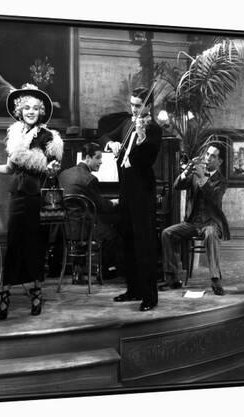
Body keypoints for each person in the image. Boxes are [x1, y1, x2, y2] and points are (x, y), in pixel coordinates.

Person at [0, 84, 63, 319]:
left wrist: (51, 168)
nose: (31, 111)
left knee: (34, 244)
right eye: (26, 108)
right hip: (17, 195)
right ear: (19, 110)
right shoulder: (15, 135)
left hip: (36, 197)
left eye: (35, 108)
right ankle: (5, 293)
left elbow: (51, 169)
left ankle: (36, 292)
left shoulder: (49, 137)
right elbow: (11, 167)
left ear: (41, 111)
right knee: (13, 243)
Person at [103, 87, 162, 311]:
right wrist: (112, 144)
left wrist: (141, 136)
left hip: (143, 192)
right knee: (127, 241)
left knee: (144, 244)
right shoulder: (128, 123)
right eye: (132, 104)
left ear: (148, 106)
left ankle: (149, 297)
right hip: (125, 191)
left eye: (138, 105)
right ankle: (133, 290)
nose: (133, 109)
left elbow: (147, 156)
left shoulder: (153, 129)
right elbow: (104, 135)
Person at [160, 143, 230, 295]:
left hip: (211, 223)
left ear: (220, 162)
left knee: (211, 234)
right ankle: (172, 279)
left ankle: (215, 279)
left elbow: (214, 198)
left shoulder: (221, 181)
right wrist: (187, 171)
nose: (208, 158)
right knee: (167, 233)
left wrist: (203, 178)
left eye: (213, 156)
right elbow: (177, 185)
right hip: (192, 222)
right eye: (207, 154)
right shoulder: (195, 172)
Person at [58, 142, 123, 281]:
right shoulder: (89, 179)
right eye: (98, 157)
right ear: (87, 157)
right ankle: (107, 270)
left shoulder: (64, 174)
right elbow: (102, 206)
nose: (101, 162)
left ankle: (78, 272)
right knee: (113, 233)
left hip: (66, 227)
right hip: (84, 229)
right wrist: (115, 202)